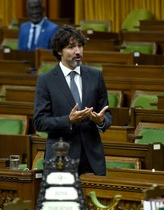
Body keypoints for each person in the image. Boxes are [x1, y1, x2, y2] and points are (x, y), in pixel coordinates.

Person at [33, 25, 112, 176]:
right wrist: (68, 120)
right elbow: (39, 121)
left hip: (91, 159)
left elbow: (107, 114)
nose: (78, 51)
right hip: (60, 157)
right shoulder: (46, 80)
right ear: (59, 51)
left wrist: (101, 121)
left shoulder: (96, 76)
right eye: (71, 47)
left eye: (80, 46)